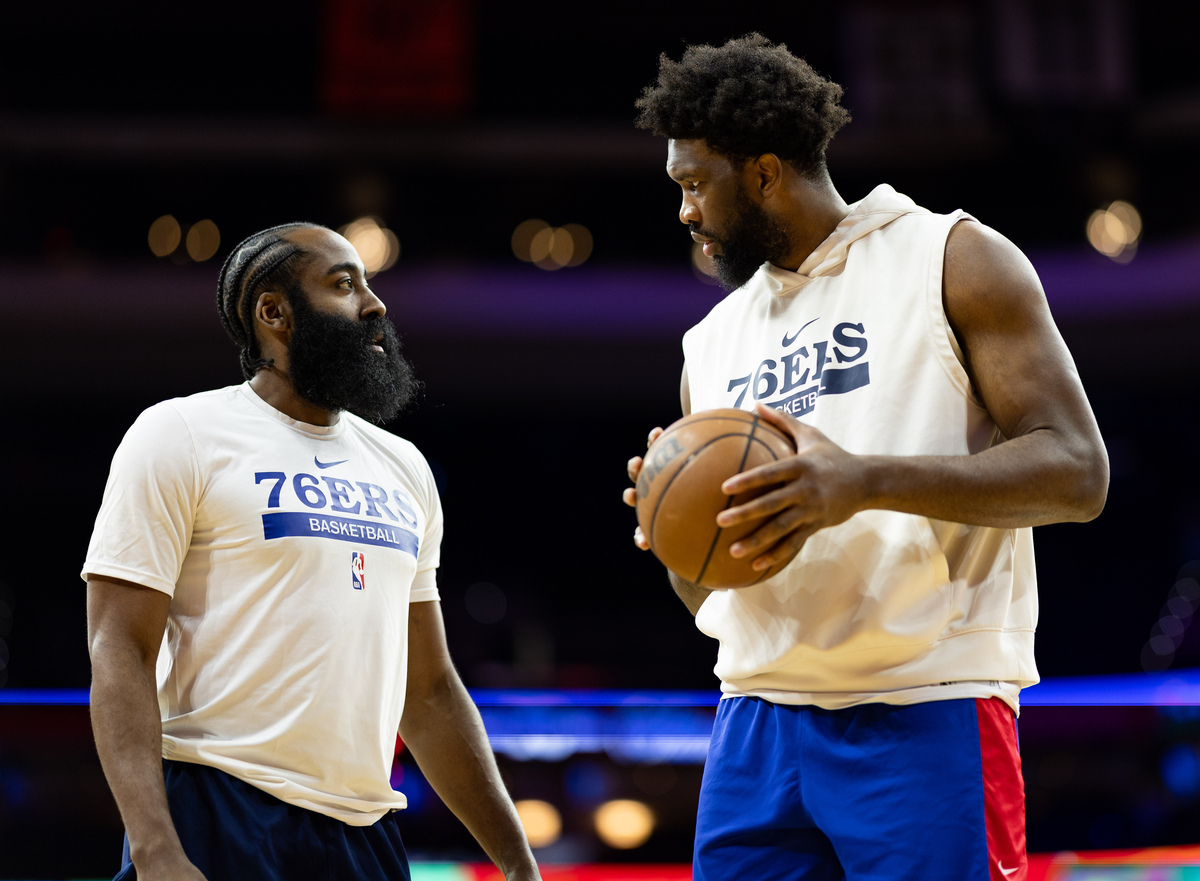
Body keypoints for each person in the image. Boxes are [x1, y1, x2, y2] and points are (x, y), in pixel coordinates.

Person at [623, 35, 1109, 881]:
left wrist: (864, 481)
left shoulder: (952, 258)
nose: (685, 210)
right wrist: (674, 526)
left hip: (930, 707)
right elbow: (705, 585)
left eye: (695, 183)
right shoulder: (711, 341)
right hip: (757, 720)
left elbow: (1076, 471)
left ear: (766, 173)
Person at [84, 223, 541, 881]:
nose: (374, 304)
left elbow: (432, 689)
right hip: (217, 807)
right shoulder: (180, 434)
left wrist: (519, 863)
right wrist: (155, 846)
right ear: (274, 313)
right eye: (343, 284)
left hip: (364, 829)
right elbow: (117, 648)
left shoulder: (403, 467)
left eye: (369, 283)